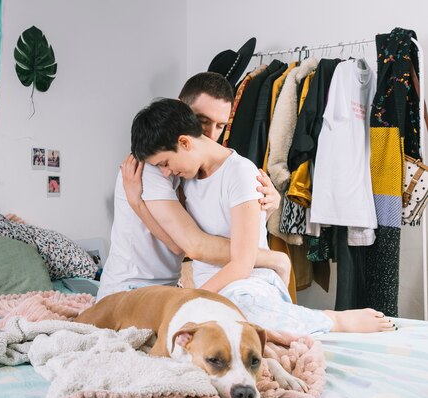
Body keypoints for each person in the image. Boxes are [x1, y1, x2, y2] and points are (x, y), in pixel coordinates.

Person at [129, 97, 396, 334]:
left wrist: (192, 301)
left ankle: (334, 321)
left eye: (164, 163)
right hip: (210, 285)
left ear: (185, 143)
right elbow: (180, 243)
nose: (165, 172)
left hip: (247, 282)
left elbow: (242, 265)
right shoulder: (189, 177)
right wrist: (135, 202)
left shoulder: (239, 173)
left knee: (246, 313)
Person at [97, 72, 287, 300]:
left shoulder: (198, 169)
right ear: (181, 110)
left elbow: (222, 228)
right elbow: (190, 246)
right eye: (202, 121)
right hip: (129, 287)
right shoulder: (152, 164)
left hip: (165, 286)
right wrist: (268, 258)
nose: (209, 135)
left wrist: (267, 207)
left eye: (220, 126)